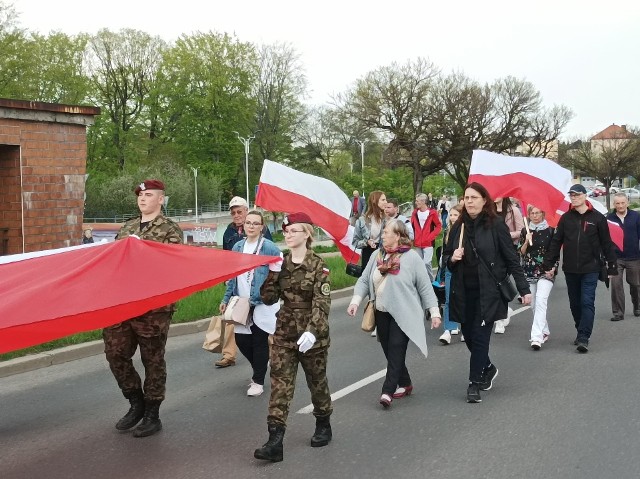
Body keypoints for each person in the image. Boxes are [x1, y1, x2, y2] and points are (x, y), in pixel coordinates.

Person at [103, 179, 183, 437]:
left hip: (153, 306)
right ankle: (135, 401)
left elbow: (173, 265)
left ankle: (152, 413)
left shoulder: (170, 229)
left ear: (161, 199)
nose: (142, 199)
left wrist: (142, 250)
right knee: (115, 352)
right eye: (140, 195)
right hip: (124, 301)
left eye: (148, 195)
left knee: (153, 359)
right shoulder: (127, 227)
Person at [254, 212, 332, 463]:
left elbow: (322, 302)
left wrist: (312, 330)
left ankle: (323, 423)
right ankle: (274, 441)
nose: (288, 234)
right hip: (284, 334)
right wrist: (273, 273)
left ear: (307, 233)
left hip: (312, 336)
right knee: (280, 386)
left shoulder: (319, 265)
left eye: (294, 230)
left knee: (317, 382)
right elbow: (267, 298)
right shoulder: (281, 263)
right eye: (286, 231)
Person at [442, 182, 531, 403]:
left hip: (488, 292)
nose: (469, 201)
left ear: (484, 200)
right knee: (470, 337)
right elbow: (444, 258)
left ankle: (474, 383)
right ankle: (488, 367)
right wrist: (453, 257)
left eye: (474, 197)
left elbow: (511, 259)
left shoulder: (496, 225)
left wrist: (524, 289)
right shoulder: (458, 227)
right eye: (466, 197)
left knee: (480, 338)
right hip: (463, 292)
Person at [347, 219, 441, 408]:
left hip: (404, 313)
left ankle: (387, 391)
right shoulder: (376, 256)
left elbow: (425, 287)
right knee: (390, 351)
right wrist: (355, 301)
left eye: (386, 232)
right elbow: (365, 280)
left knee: (397, 347)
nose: (382, 235)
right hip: (381, 311)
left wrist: (435, 312)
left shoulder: (412, 258)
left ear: (398, 236)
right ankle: (405, 383)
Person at [542, 184, 618, 353]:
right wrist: (548, 264)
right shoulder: (566, 218)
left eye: (576, 195)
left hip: (591, 268)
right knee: (575, 304)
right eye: (571, 195)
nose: (574, 197)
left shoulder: (598, 218)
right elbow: (556, 242)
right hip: (570, 269)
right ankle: (580, 329)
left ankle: (584, 337)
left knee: (586, 302)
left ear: (585, 196)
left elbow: (606, 243)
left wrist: (612, 267)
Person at [220, 211, 282, 397]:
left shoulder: (269, 248)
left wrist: (270, 294)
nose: (251, 226)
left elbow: (278, 274)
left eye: (256, 223)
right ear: (243, 226)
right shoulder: (238, 247)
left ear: (262, 227)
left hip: (262, 303)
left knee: (259, 341)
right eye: (248, 223)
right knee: (242, 341)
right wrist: (225, 299)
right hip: (242, 302)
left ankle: (258, 381)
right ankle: (260, 366)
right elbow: (232, 278)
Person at [218, 196, 273, 369]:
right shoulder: (229, 232)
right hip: (237, 286)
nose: (236, 215)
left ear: (246, 211)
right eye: (233, 212)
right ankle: (229, 354)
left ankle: (270, 355)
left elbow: (270, 257)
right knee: (232, 319)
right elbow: (227, 257)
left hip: (258, 288)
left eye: (239, 211)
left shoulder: (260, 230)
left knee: (261, 329)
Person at [519, 206, 557, 350]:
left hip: (546, 271)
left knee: (541, 300)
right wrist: (526, 241)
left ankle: (536, 337)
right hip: (529, 271)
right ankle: (544, 330)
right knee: (534, 303)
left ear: (543, 214)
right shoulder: (525, 230)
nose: (535, 216)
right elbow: (521, 253)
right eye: (532, 213)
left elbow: (554, 252)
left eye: (537, 213)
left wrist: (553, 268)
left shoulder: (551, 231)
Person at [492, 197, 525, 334]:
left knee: (501, 282)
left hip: (509, 250)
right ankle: (503, 313)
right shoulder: (488, 211)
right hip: (493, 251)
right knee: (494, 284)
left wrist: (504, 234)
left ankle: (500, 318)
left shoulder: (513, 210)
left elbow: (521, 231)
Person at [606, 193, 640, 321]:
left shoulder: (636, 217)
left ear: (627, 203)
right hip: (616, 258)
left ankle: (637, 306)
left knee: (636, 285)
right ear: (614, 205)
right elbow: (605, 239)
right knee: (616, 285)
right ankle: (618, 312)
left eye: (622, 203)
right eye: (617, 203)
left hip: (634, 257)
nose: (620, 206)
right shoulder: (609, 219)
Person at [439, 204, 463, 345]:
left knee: (463, 298)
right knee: (448, 299)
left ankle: (465, 327)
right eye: (451, 215)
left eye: (456, 215)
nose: (453, 218)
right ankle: (448, 329)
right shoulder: (447, 231)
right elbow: (444, 253)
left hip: (463, 270)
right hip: (449, 268)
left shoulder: (465, 230)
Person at [411, 193, 442, 281]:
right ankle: (421, 282)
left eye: (417, 201)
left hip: (428, 242)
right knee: (419, 264)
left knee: (426, 263)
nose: (416, 203)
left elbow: (439, 226)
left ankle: (431, 281)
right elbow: (412, 226)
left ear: (423, 201)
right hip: (417, 242)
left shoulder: (432, 213)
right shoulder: (415, 212)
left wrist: (431, 236)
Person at [352, 191, 387, 270]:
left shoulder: (387, 219)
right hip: (368, 254)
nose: (386, 202)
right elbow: (355, 242)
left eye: (386, 200)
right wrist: (366, 242)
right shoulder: (362, 220)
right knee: (368, 280)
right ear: (374, 200)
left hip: (383, 253)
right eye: (383, 200)